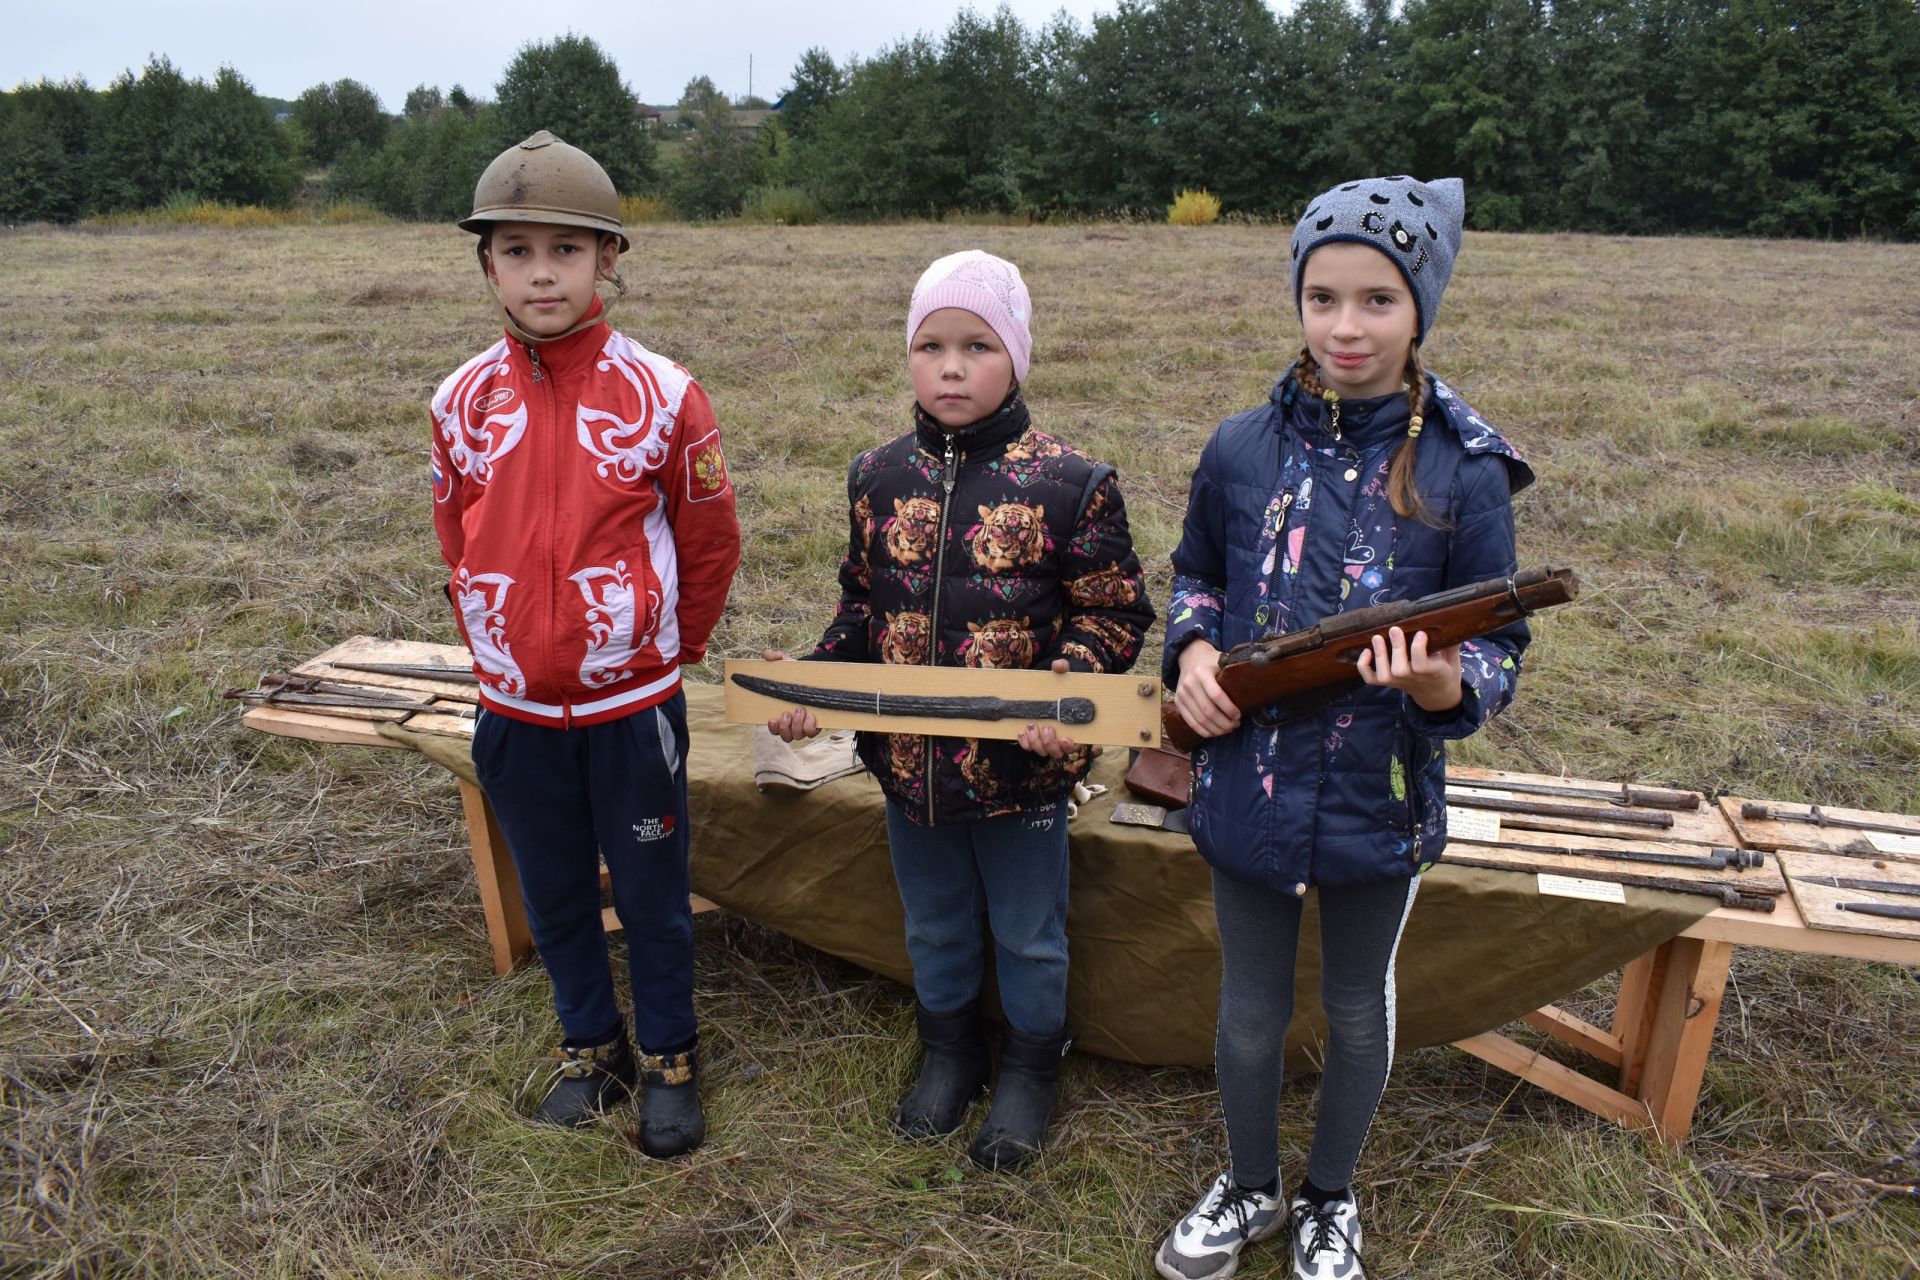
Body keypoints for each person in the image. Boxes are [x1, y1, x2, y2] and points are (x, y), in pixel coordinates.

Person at [1152, 176, 1534, 1279]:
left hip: (1382, 788)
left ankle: (1329, 1197)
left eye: (1377, 299)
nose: (1346, 327)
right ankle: (1251, 1183)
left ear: (1421, 310)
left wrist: (1437, 688)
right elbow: (1199, 580)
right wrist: (1191, 655)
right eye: (1324, 297)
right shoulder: (1238, 448)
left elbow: (1502, 645)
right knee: (1249, 1012)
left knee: (1359, 1010)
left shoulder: (1467, 469)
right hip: (1249, 780)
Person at [766, 250, 1153, 1172]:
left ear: (1016, 356)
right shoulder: (876, 475)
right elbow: (862, 606)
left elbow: (1114, 610)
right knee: (933, 921)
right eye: (929, 345)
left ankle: (1029, 1070)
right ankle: (948, 1051)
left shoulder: (1073, 482)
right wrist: (812, 686)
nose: (950, 366)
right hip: (907, 766)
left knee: (1028, 931)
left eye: (977, 346)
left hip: (1023, 771)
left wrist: (1067, 690)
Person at [429, 131, 740, 1156]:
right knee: (556, 889)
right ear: (488, 265)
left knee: (651, 898)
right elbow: (457, 531)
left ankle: (669, 1060)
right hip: (515, 710)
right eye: (516, 250)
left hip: (629, 709)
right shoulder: (459, 401)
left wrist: (657, 652)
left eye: (565, 248)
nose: (541, 271)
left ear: (608, 258)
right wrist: (494, 633)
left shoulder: (665, 395)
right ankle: (588, 1048)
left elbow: (708, 541)